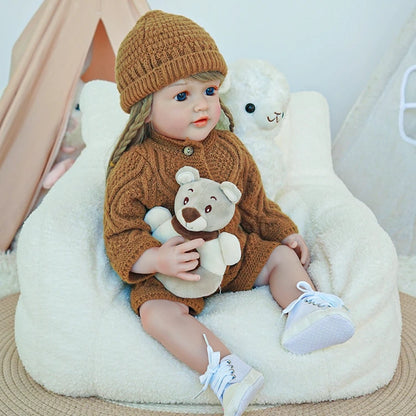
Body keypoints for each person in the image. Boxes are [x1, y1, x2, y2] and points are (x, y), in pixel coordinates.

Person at [104, 10, 354, 416]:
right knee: (154, 314)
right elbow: (119, 231)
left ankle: (307, 311)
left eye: (210, 91)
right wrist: (156, 257)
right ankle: (226, 371)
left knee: (279, 257)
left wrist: (285, 233)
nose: (201, 106)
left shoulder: (230, 150)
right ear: (145, 109)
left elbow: (256, 205)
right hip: (176, 275)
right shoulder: (136, 165)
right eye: (182, 96)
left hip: (233, 255)